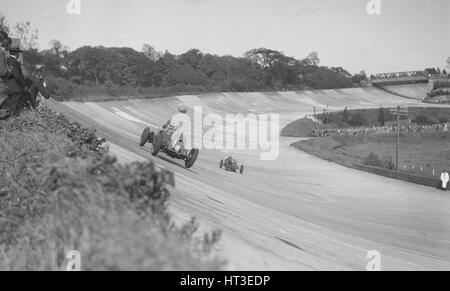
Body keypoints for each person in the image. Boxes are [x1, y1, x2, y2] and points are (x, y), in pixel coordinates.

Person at [0, 38, 30, 116]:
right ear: (17, 53)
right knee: (12, 109)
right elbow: (17, 75)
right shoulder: (15, 62)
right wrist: (24, 86)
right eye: (19, 52)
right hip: (15, 88)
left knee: (7, 107)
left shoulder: (7, 60)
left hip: (8, 86)